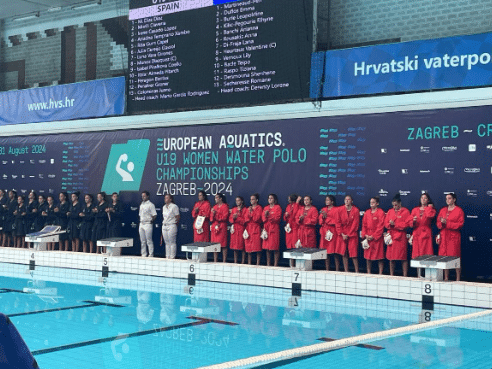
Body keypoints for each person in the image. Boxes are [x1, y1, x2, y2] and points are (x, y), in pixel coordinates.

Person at [437, 193, 464, 281]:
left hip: (453, 237)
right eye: (446, 198)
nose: (447, 200)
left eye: (449, 198)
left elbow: (460, 224)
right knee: (444, 258)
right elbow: (438, 223)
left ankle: (458, 278)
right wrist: (442, 223)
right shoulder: (443, 210)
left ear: (454, 199)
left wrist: (447, 223)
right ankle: (446, 278)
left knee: (455, 257)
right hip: (444, 236)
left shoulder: (459, 210)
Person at [410, 193, 436, 277]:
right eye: (422, 198)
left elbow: (429, 216)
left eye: (425, 198)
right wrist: (413, 221)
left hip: (426, 233)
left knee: (427, 254)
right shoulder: (415, 209)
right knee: (417, 255)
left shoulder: (431, 209)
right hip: (417, 233)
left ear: (428, 200)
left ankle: (428, 275)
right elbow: (409, 223)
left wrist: (429, 207)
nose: (423, 199)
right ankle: (418, 274)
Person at [385, 194, 411, 277]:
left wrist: (395, 224)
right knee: (391, 258)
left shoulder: (405, 211)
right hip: (392, 237)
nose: (394, 207)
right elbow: (385, 223)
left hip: (401, 237)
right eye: (393, 205)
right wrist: (390, 224)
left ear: (400, 203)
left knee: (403, 257)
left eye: (396, 205)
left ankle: (405, 275)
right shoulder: (390, 211)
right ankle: (392, 275)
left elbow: (407, 224)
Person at [335, 195, 360, 273]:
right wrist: (342, 233)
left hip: (352, 234)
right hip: (342, 234)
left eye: (348, 199)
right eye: (345, 199)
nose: (347, 201)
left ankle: (357, 271)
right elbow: (337, 222)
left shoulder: (355, 210)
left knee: (353, 253)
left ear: (351, 201)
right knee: (343, 252)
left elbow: (355, 223)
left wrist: (349, 234)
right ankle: (346, 270)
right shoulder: (340, 209)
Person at [362, 196, 385, 274]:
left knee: (380, 257)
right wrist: (365, 235)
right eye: (370, 202)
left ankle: (380, 273)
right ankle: (368, 272)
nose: (371, 204)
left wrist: (374, 236)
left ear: (377, 203)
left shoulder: (381, 212)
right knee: (368, 257)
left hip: (377, 238)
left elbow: (381, 226)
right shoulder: (367, 212)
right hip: (368, 236)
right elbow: (364, 225)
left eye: (373, 202)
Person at [319, 195, 339, 271]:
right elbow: (320, 221)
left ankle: (337, 269)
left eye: (328, 200)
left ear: (332, 201)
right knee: (326, 251)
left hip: (333, 231)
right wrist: (323, 217)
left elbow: (337, 220)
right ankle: (327, 269)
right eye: (326, 200)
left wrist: (327, 218)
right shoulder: (323, 209)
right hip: (325, 231)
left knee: (334, 251)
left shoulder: (336, 209)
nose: (326, 201)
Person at [262, 193, 282, 267]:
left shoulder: (277, 207)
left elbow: (277, 218)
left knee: (275, 247)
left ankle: (275, 264)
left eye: (271, 198)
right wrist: (265, 215)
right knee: (267, 248)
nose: (270, 199)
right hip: (267, 229)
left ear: (275, 200)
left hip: (274, 229)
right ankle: (268, 264)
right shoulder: (265, 208)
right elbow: (263, 219)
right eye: (269, 198)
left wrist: (269, 215)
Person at [284, 194, 302, 266]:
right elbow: (284, 218)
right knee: (289, 246)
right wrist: (286, 215)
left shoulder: (299, 206)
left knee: (295, 246)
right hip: (289, 228)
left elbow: (295, 214)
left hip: (295, 228)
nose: (288, 200)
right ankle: (291, 264)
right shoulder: (288, 206)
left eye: (289, 198)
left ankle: (297, 264)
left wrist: (297, 203)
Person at [244, 193, 262, 265]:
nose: (251, 200)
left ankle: (258, 263)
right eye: (251, 199)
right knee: (248, 247)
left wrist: (252, 212)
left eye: (253, 199)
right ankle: (249, 263)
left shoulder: (259, 208)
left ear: (256, 200)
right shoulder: (248, 208)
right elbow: (245, 219)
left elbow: (257, 218)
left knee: (257, 247)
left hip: (256, 228)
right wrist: (249, 213)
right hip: (249, 228)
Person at [160, 193, 180, 259]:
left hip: (171, 225)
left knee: (172, 242)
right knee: (167, 242)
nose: (165, 199)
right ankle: (167, 256)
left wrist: (174, 223)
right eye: (165, 198)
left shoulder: (174, 206)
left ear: (170, 199)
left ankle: (172, 257)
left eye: (167, 198)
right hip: (164, 225)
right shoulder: (164, 207)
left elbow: (177, 216)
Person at [211, 193, 229, 263]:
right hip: (215, 226)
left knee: (223, 244)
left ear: (221, 198)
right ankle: (215, 260)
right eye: (215, 198)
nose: (215, 199)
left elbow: (224, 217)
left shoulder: (225, 206)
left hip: (222, 226)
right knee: (215, 244)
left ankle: (224, 261)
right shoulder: (214, 207)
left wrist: (216, 214)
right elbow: (211, 218)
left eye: (217, 197)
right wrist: (213, 214)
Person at [229, 196, 248, 264]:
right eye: (236, 201)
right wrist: (234, 218)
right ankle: (235, 261)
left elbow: (245, 220)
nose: (237, 202)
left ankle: (243, 261)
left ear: (242, 201)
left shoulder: (245, 209)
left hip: (241, 228)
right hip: (235, 228)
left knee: (242, 245)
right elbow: (230, 219)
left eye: (239, 200)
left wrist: (238, 218)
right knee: (234, 246)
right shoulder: (234, 209)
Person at [139, 191, 157, 257]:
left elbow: (154, 215)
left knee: (149, 240)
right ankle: (143, 254)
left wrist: (151, 220)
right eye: (142, 196)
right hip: (141, 223)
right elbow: (140, 214)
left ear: (148, 196)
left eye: (144, 196)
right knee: (142, 241)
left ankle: (151, 254)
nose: (143, 197)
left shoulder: (151, 205)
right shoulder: (141, 204)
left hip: (148, 224)